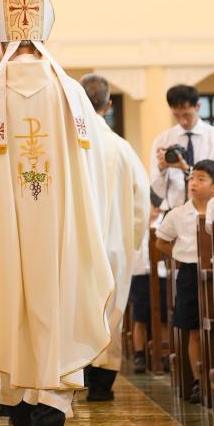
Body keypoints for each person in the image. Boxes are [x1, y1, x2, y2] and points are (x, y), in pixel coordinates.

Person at [0, 0, 115, 426]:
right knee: (58, 302)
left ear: (3, 40)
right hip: (61, 229)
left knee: (10, 302)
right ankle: (49, 417)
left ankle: (19, 408)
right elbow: (95, 170)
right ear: (44, 36)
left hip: (2, 230)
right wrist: (89, 221)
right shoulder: (72, 93)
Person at [79, 73, 150, 402]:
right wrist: (131, 243)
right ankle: (101, 384)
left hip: (75, 248)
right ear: (108, 105)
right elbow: (141, 202)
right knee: (110, 312)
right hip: (115, 247)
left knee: (76, 310)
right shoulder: (122, 148)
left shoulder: (67, 144)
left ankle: (72, 375)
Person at [155, 159, 214, 402]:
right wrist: (180, 255)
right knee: (193, 329)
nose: (193, 183)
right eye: (192, 178)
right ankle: (198, 381)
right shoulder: (178, 213)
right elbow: (161, 241)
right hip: (189, 273)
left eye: (201, 179)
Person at [150, 84, 214, 210]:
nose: (182, 121)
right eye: (176, 116)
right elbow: (158, 192)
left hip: (208, 208)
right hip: (174, 209)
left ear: (198, 106)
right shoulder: (162, 140)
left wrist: (186, 169)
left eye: (186, 115)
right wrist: (162, 169)